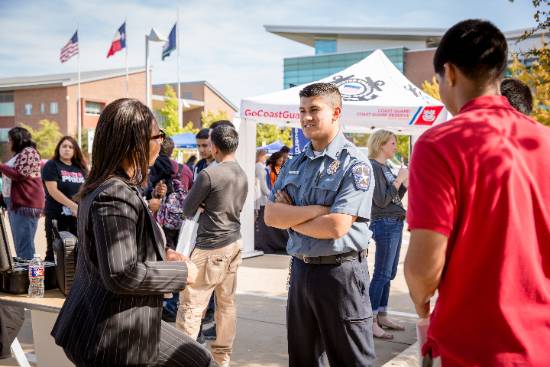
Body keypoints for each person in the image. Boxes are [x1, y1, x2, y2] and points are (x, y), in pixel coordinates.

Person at [404, 19, 550, 367]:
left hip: (472, 347)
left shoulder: (439, 144)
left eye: (438, 80)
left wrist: (420, 298)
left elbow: (425, 267)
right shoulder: (545, 141)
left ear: (449, 73)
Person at [51, 98, 215, 367]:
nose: (161, 142)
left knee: (199, 358)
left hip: (118, 321)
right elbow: (121, 273)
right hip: (111, 332)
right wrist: (182, 273)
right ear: (134, 142)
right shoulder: (114, 193)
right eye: (157, 135)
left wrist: (164, 254)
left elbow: (122, 247)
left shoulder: (113, 186)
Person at [264, 82, 376, 366]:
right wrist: (316, 211)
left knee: (351, 361)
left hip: (341, 275)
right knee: (303, 359)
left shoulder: (355, 164)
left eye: (314, 109)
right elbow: (271, 217)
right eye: (302, 110)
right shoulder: (295, 163)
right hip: (301, 270)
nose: (306, 117)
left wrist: (293, 216)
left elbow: (336, 227)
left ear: (336, 112)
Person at [176, 123, 248, 367]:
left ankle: (183, 361)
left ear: (214, 147)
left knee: (191, 307)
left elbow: (187, 208)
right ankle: (222, 359)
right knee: (226, 305)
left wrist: (202, 204)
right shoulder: (241, 173)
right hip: (234, 243)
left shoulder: (209, 174)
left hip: (210, 246)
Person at [366, 129, 408, 340]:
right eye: (392, 143)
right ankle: (371, 320)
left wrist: (403, 185)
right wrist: (399, 180)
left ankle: (382, 314)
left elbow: (393, 198)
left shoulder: (383, 167)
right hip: (385, 223)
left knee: (389, 273)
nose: (395, 147)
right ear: (381, 144)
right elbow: (381, 201)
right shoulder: (373, 167)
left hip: (394, 222)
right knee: (382, 273)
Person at [0, 127, 44, 260]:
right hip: (17, 204)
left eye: (10, 139)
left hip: (25, 204)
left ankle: (30, 280)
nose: (9, 142)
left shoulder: (29, 152)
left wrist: (1, 166)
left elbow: (19, 175)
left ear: (18, 139)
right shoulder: (20, 154)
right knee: (22, 246)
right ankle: (30, 279)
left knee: (25, 248)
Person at [42, 136, 87, 262]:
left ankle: (74, 282)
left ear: (75, 150)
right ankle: (51, 282)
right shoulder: (51, 165)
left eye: (70, 147)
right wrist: (73, 206)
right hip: (56, 217)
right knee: (55, 252)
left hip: (77, 218)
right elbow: (53, 191)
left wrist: (80, 208)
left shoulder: (81, 169)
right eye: (64, 146)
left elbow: (86, 191)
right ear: (59, 148)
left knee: (78, 252)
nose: (67, 149)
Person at [254, 149, 270, 217]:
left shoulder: (257, 166)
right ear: (260, 156)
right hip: (261, 199)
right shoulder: (259, 167)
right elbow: (262, 185)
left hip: (260, 198)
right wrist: (270, 194)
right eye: (264, 156)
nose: (265, 158)